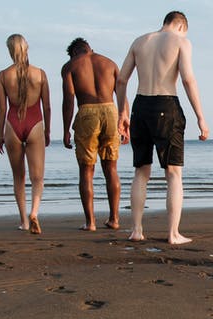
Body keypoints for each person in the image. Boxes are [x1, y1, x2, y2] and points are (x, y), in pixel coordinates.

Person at [115, 11, 210, 245]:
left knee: (141, 171)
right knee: (173, 173)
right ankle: (173, 233)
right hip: (166, 104)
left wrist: (122, 112)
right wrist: (201, 117)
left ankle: (136, 230)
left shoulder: (140, 41)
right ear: (180, 27)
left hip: (140, 106)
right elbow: (188, 79)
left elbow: (121, 80)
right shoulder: (181, 41)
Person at [61, 38, 121, 231]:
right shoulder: (110, 63)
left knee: (86, 171)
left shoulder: (70, 66)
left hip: (87, 112)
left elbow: (69, 99)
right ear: (90, 49)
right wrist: (124, 121)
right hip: (111, 111)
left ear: (74, 53)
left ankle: (91, 222)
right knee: (111, 168)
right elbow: (121, 93)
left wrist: (66, 129)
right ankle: (114, 219)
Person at [0, 34, 51, 235]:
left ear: (10, 50)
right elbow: (47, 106)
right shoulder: (40, 74)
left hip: (12, 124)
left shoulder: (3, 75)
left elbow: (2, 108)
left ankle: (24, 221)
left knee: (18, 177)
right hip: (35, 122)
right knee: (38, 178)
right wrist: (47, 131)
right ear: (26, 48)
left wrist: (0, 134)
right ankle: (34, 213)